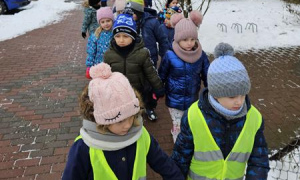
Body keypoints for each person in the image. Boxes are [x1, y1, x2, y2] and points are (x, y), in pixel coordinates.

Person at [62, 63, 185, 180]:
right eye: (119, 121)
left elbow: (163, 163)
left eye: (131, 116)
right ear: (100, 120)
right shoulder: (84, 146)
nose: (127, 125)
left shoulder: (141, 135)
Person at [171, 42, 270, 179]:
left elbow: (259, 158)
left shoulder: (254, 118)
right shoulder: (194, 116)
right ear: (216, 93)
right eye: (232, 96)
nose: (239, 101)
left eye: (243, 94)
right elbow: (181, 156)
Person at [158, 11, 210, 142]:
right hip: (174, 99)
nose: (189, 43)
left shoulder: (200, 55)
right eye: (185, 40)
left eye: (193, 39)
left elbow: (207, 74)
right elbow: (162, 74)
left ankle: (185, 137)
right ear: (177, 39)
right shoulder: (170, 55)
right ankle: (178, 143)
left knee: (189, 122)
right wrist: (157, 90)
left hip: (192, 98)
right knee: (178, 125)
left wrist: (211, 89)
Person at [104, 13, 164, 121]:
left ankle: (148, 109)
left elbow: (151, 73)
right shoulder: (109, 54)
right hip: (119, 92)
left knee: (137, 114)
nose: (121, 40)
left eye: (125, 36)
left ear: (133, 36)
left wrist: (158, 87)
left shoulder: (142, 53)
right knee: (123, 116)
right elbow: (105, 75)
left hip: (139, 90)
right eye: (117, 36)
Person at [124, 0, 169, 68]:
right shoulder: (126, 23)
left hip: (150, 59)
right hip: (131, 61)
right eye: (128, 13)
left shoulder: (152, 22)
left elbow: (163, 40)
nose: (130, 16)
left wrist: (164, 57)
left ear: (138, 11)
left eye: (133, 13)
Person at [85, 7, 114, 79]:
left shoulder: (116, 34)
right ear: (99, 23)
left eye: (108, 21)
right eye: (103, 22)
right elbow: (91, 52)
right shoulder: (96, 35)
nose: (106, 24)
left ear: (112, 20)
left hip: (113, 65)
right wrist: (89, 66)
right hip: (99, 64)